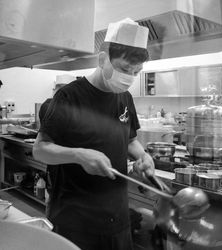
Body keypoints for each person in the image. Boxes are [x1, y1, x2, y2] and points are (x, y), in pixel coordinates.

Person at [33, 18, 155, 250]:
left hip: (117, 216)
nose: (129, 77)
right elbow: (40, 149)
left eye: (136, 72)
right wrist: (79, 155)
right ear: (102, 59)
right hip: (75, 219)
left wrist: (143, 156)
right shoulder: (69, 97)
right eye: (123, 68)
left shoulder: (125, 97)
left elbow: (130, 140)